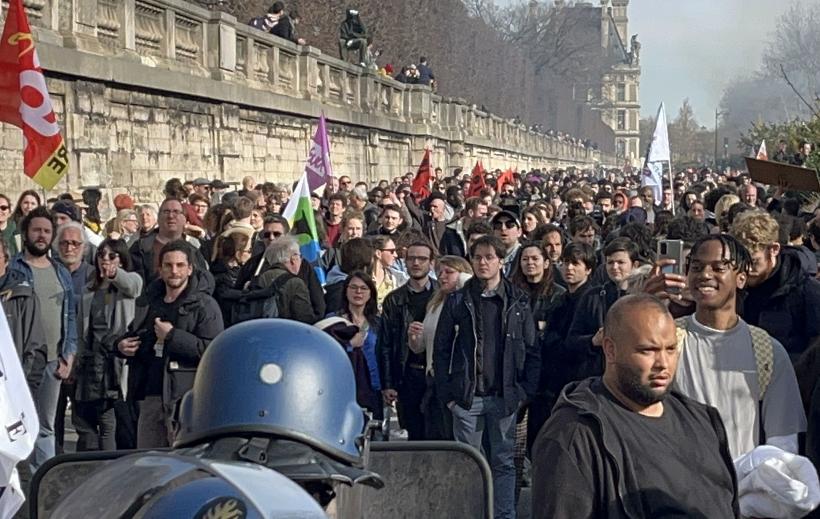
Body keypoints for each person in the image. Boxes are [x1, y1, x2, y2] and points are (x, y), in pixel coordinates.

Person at [531, 294, 739, 518]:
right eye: (647, 350)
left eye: (670, 349)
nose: (663, 364)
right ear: (610, 350)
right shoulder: (574, 436)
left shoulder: (702, 421)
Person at [433, 235, 539, 519]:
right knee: (469, 464)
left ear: (501, 262)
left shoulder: (518, 300)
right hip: (467, 398)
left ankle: (504, 516)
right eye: (478, 257)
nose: (482, 262)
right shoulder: (458, 300)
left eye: (489, 257)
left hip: (504, 397)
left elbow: (531, 349)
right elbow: (441, 349)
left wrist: (523, 393)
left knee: (503, 463)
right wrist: (449, 396)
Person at [674, 234, 807, 458]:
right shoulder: (667, 341)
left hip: (743, 485)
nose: (705, 275)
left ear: (741, 278)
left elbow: (783, 445)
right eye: (696, 267)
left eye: (719, 267)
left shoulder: (767, 351)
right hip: (675, 487)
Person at [117, 240, 223, 448]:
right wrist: (122, 346)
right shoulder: (148, 301)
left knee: (183, 466)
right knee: (150, 465)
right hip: (149, 397)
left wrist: (173, 336)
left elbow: (212, 350)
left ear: (190, 269)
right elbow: (136, 334)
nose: (174, 271)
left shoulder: (204, 305)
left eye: (180, 265)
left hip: (184, 400)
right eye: (168, 265)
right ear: (160, 268)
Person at [8, 206, 77, 471]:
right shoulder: (13, 269)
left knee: (45, 426)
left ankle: (42, 487)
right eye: (36, 230)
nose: (41, 235)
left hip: (52, 363)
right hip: (18, 363)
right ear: (25, 233)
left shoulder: (61, 271)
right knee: (13, 425)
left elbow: (70, 314)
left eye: (47, 231)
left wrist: (68, 355)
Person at [73, 238, 142, 451]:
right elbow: (83, 331)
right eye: (101, 256)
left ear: (122, 259)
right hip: (91, 362)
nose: (105, 261)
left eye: (112, 256)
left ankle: (105, 466)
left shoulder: (130, 282)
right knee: (85, 420)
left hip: (115, 361)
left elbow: (131, 286)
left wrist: (113, 274)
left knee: (108, 421)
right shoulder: (88, 290)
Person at [731, 210, 820, 362]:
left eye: (753, 262)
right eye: (739, 262)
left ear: (774, 249)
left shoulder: (806, 291)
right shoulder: (733, 286)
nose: (745, 270)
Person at [378, 241, 438, 440]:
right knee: (414, 433)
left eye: (422, 259)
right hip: (408, 375)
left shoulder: (443, 295)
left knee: (438, 433)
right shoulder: (394, 300)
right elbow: (385, 344)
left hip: (436, 375)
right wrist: (388, 383)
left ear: (431, 263)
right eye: (411, 258)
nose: (416, 263)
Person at [565, 238, 640, 382]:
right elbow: (571, 341)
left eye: (620, 262)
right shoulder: (592, 296)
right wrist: (593, 340)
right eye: (610, 262)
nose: (614, 267)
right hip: (597, 377)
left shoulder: (642, 298)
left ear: (634, 265)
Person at [420, 256, 472, 440]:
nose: (442, 277)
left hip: (456, 381)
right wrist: (414, 337)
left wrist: (464, 278)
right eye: (439, 272)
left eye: (449, 272)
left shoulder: (468, 301)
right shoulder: (435, 303)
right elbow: (421, 347)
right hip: (434, 378)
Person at [130, 198, 212, 292]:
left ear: (184, 219)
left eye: (176, 212)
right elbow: (135, 285)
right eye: (166, 212)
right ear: (158, 217)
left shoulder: (196, 247)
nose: (171, 216)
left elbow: (205, 281)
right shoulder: (140, 248)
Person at [330, 272, 382, 418]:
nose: (358, 292)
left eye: (363, 288)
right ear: (346, 291)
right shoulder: (333, 322)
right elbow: (327, 352)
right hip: (342, 385)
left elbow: (385, 354)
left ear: (370, 293)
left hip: (372, 388)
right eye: (353, 287)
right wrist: (350, 344)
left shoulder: (379, 323)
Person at [257, 235, 318, 324]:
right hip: (285, 333)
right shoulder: (295, 283)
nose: (301, 260)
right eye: (300, 256)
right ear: (293, 258)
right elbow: (304, 319)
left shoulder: (257, 279)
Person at [368, 235, 407, 310]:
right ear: (378, 253)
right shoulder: (363, 278)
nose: (396, 255)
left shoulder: (398, 277)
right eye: (392, 251)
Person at [490, 210, 523, 278]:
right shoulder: (488, 256)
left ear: (519, 232)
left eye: (509, 225)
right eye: (498, 225)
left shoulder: (525, 255)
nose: (503, 228)